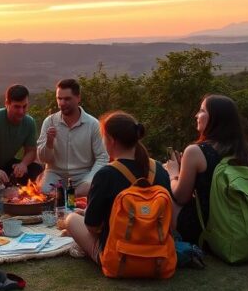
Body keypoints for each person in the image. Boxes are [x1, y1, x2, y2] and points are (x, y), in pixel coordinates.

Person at [63, 111, 172, 264]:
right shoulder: (158, 169)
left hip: (120, 255)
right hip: (157, 250)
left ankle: (98, 254)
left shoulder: (106, 174)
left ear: (111, 140)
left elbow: (92, 226)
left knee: (71, 219)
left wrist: (88, 215)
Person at [165, 94, 248, 244]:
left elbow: (181, 197)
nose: (197, 115)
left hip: (204, 229)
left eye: (202, 110)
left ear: (215, 118)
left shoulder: (195, 151)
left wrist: (173, 173)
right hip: (239, 228)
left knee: (163, 196)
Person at [37, 78, 108, 197]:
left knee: (95, 187)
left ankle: (71, 198)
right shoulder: (49, 122)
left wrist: (90, 180)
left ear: (78, 98)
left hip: (83, 175)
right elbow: (43, 159)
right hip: (55, 174)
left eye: (67, 99)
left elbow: (102, 157)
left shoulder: (93, 124)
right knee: (43, 192)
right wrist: (49, 143)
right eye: (59, 99)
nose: (62, 103)